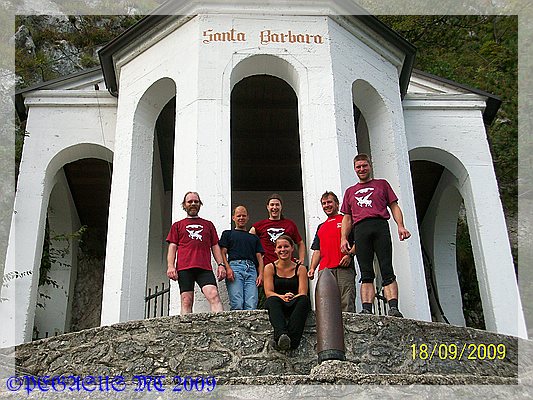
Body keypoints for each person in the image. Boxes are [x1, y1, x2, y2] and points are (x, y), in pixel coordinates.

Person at [340, 154, 411, 318]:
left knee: (386, 267)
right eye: (358, 167)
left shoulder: (382, 184)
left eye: (364, 166)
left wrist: (400, 226)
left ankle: (393, 307)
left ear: (370, 166)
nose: (362, 169)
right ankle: (367, 309)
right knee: (366, 272)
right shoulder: (350, 191)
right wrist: (344, 237)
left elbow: (394, 206)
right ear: (354, 169)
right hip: (360, 229)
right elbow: (347, 217)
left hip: (380, 226)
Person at [166, 191, 226, 314]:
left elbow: (215, 246)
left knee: (214, 295)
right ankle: (185, 326)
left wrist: (221, 265)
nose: (193, 203)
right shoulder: (177, 225)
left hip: (204, 268)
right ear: (184, 205)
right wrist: (170, 266)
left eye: (196, 201)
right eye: (190, 201)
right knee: (186, 301)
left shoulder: (208, 225)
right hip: (184, 268)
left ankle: (220, 324)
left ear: (200, 204)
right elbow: (172, 247)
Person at [308, 191, 356, 312]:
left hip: (344, 268)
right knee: (326, 306)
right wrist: (312, 268)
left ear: (337, 204)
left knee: (346, 303)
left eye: (329, 202)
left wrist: (350, 255)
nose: (326, 205)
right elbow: (317, 250)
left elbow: (359, 241)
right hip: (325, 271)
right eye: (324, 203)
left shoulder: (346, 220)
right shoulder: (321, 226)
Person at [263, 235, 310, 350]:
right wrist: (282, 297)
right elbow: (268, 292)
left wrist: (292, 297)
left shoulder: (301, 269)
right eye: (279, 247)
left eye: (286, 246)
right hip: (277, 302)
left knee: (304, 300)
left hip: (294, 301)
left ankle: (292, 341)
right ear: (275, 250)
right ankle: (281, 335)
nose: (283, 250)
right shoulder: (269, 267)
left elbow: (303, 292)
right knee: (272, 300)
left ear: (292, 248)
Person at [219, 205, 264, 310]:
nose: (241, 218)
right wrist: (228, 268)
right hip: (235, 268)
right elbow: (222, 252)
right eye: (238, 216)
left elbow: (259, 258)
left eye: (244, 216)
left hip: (252, 270)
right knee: (237, 303)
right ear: (233, 218)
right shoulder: (228, 234)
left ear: (248, 217)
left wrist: (261, 274)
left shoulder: (254, 238)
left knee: (251, 304)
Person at [249, 193, 305, 266]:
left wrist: (301, 259)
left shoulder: (290, 224)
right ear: (267, 207)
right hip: (267, 266)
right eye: (272, 205)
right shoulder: (258, 226)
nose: (274, 207)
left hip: (287, 266)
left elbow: (300, 243)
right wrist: (256, 258)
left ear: (281, 207)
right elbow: (248, 242)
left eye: (277, 205)